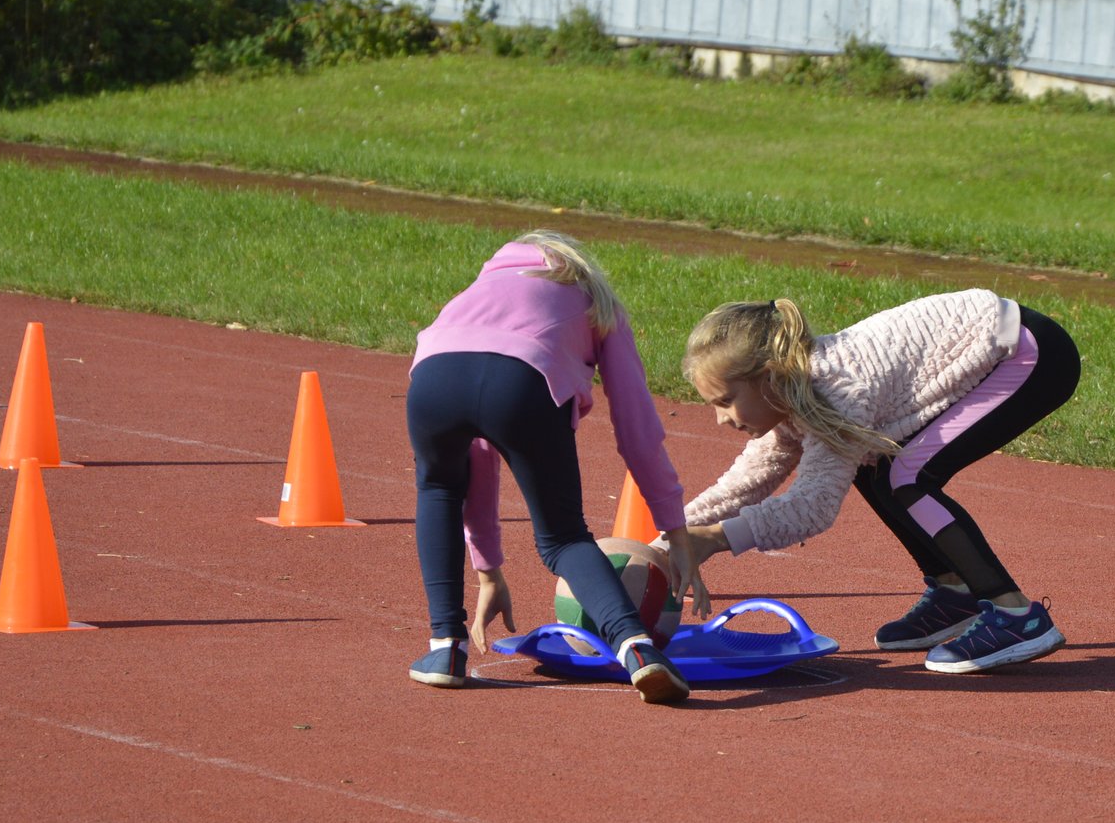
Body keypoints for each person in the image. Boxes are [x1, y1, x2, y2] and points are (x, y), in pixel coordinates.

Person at [675, 290, 1079, 672]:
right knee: (873, 468)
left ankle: (1015, 614)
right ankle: (956, 591)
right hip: (1002, 345)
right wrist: (672, 536)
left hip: (1028, 353)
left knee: (907, 478)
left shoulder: (837, 390)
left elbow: (813, 507)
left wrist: (715, 538)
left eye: (725, 401)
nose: (721, 419)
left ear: (769, 378)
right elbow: (747, 480)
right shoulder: (790, 392)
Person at [404, 230, 707, 703]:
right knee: (563, 538)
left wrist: (489, 570)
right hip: (525, 382)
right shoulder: (598, 304)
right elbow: (637, 432)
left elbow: (476, 459)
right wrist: (675, 531)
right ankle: (637, 648)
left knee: (439, 489)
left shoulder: (478, 291)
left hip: (432, 377)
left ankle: (445, 647)